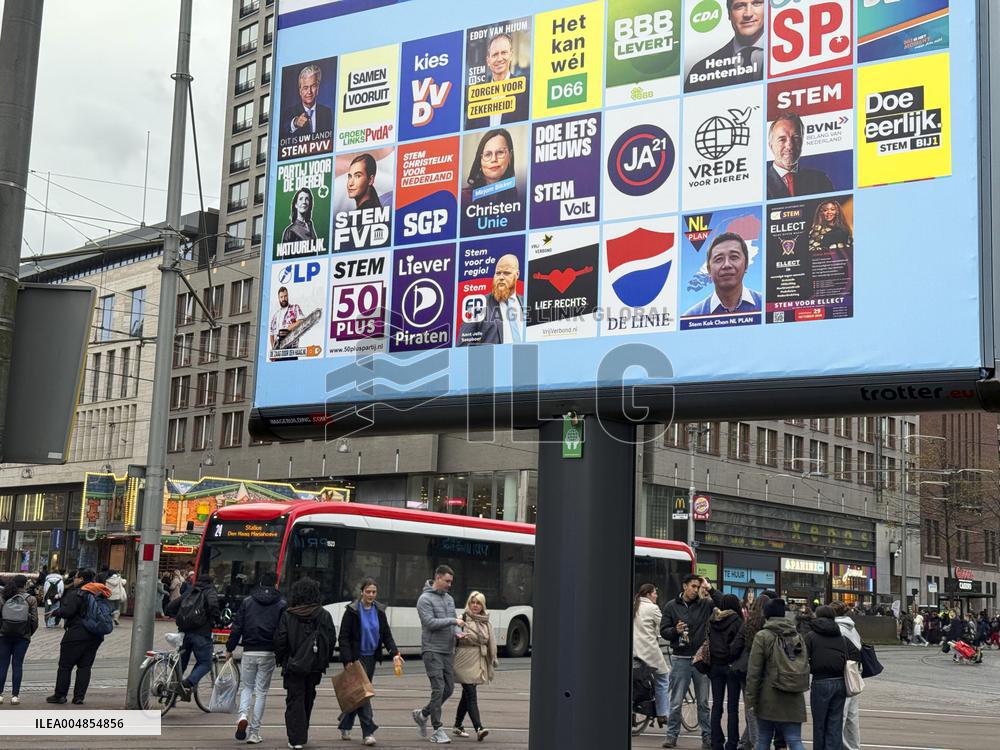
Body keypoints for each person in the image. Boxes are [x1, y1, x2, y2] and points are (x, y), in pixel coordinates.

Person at [337, 577, 403, 746]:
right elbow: (343, 637)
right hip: (356, 659)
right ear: (361, 592)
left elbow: (386, 634)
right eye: (368, 592)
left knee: (358, 694)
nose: (371, 595)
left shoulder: (379, 611)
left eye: (374, 592)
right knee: (364, 695)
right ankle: (368, 732)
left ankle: (345, 724)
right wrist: (347, 660)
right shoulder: (352, 611)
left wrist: (394, 652)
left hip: (371, 658)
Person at [661, 575, 723, 749]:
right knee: (676, 701)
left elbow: (723, 603)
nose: (696, 590)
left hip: (700, 659)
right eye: (693, 586)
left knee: (703, 702)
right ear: (684, 586)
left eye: (698, 587)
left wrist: (709, 588)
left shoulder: (705, 604)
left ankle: (707, 737)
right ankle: (671, 736)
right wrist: (675, 630)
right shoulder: (671, 606)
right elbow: (664, 630)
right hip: (680, 657)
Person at [274, 576, 336, 750]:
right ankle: (302, 731)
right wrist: (323, 659)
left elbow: (280, 639)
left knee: (294, 699)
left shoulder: (288, 614)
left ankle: (296, 738)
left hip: (293, 665)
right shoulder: (324, 614)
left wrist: (281, 659)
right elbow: (331, 639)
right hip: (315, 665)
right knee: (309, 697)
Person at [226, 572, 286, 745]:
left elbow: (237, 627)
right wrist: (281, 653)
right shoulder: (281, 604)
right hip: (268, 652)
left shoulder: (247, 601)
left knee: (246, 687)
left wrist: (230, 648)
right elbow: (283, 631)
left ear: (259, 583)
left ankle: (242, 715)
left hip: (249, 650)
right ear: (276, 584)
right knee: (261, 692)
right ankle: (254, 732)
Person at [744, 598, 807, 750]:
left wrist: (750, 700)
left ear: (766, 615)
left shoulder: (763, 636)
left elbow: (754, 672)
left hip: (768, 696)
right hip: (794, 695)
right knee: (794, 740)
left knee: (764, 739)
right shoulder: (797, 636)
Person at [413, 564, 465, 744]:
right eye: (447, 581)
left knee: (449, 689)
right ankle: (437, 729)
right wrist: (453, 621)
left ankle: (423, 714)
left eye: (451, 581)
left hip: (447, 650)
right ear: (438, 578)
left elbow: (455, 620)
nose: (450, 584)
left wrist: (458, 631)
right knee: (439, 689)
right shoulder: (424, 599)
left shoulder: (449, 599)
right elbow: (429, 623)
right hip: (432, 650)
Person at [48, 569, 110, 704]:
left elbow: (68, 611)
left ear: (81, 579)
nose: (74, 580)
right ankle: (79, 697)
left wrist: (55, 612)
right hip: (95, 635)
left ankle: (60, 695)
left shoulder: (76, 593)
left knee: (65, 666)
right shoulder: (99, 592)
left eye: (76, 577)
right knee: (85, 667)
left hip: (76, 634)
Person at [806, 606, 860, 750]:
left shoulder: (811, 636)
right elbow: (856, 653)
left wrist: (813, 666)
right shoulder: (841, 637)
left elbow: (802, 658)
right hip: (840, 682)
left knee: (819, 724)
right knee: (835, 724)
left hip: (820, 681)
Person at [685, 0, 765, 92]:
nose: (748, 14)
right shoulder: (700, 71)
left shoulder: (783, 59)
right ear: (729, 14)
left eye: (757, 3)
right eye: (739, 6)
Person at [165, 573, 220, 699]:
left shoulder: (190, 592)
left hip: (184, 633)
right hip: (201, 633)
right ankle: (188, 684)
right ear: (210, 583)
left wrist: (177, 616)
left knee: (181, 665)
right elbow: (213, 606)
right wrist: (218, 620)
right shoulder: (209, 592)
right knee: (205, 663)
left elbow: (171, 606)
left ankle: (170, 695)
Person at [452, 590, 497, 742]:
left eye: (478, 603)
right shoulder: (462, 618)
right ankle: (479, 728)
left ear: (483, 605)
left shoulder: (486, 621)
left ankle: (458, 725)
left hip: (479, 660)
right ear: (468, 604)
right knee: (471, 693)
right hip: (463, 659)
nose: (475, 605)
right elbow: (453, 633)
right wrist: (457, 634)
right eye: (473, 602)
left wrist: (493, 658)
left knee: (467, 694)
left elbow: (491, 642)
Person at [683, 232, 761, 317]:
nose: (726, 265)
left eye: (734, 257)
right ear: (709, 269)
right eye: (719, 259)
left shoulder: (766, 305)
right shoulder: (691, 317)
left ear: (746, 264)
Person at [466, 32, 529, 129]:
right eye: (495, 55)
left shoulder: (525, 88)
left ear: (511, 55)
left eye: (504, 53)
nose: (500, 59)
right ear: (488, 61)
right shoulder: (477, 96)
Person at [458, 254, 524, 346]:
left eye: (506, 273)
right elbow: (463, 346)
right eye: (498, 273)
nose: (501, 277)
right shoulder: (478, 305)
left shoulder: (526, 303)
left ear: (517, 274)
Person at [766, 113, 834, 199]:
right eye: (782, 139)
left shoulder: (820, 181)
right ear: (771, 146)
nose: (790, 146)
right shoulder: (759, 185)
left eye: (796, 138)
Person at [732, 593, 770, 750]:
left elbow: (736, 645)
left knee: (750, 707)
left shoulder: (748, 623)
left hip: (745, 667)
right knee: (758, 709)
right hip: (764, 669)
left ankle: (746, 742)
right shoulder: (768, 624)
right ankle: (755, 743)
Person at [708, 593, 744, 750]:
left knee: (716, 705)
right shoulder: (737, 621)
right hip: (731, 666)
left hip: (715, 665)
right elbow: (739, 644)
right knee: (732, 707)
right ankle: (732, 743)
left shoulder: (713, 619)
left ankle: (716, 742)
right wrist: (732, 657)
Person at [633, 584, 670, 728]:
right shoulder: (653, 608)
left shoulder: (634, 605)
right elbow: (663, 626)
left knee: (635, 682)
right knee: (663, 678)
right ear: (648, 594)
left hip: (634, 652)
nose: (656, 596)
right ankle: (662, 714)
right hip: (648, 652)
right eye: (655, 593)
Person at [0, 574, 39, 705]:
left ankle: (0, 695)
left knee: (3, 664)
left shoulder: (4, 596)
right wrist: (27, 634)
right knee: (17, 665)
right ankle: (15, 696)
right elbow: (35, 621)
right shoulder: (31, 599)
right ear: (25, 584)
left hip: (4, 635)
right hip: (22, 637)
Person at [832, 602, 863, 750]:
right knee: (852, 717)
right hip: (854, 674)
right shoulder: (852, 626)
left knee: (840, 715)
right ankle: (854, 746)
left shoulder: (837, 629)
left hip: (844, 674)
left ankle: (843, 746)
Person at [281, 64, 333, 138]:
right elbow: (283, 131)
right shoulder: (289, 112)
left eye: (313, 86)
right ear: (300, 91)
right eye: (305, 88)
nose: (309, 91)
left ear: (317, 88)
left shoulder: (326, 112)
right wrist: (295, 123)